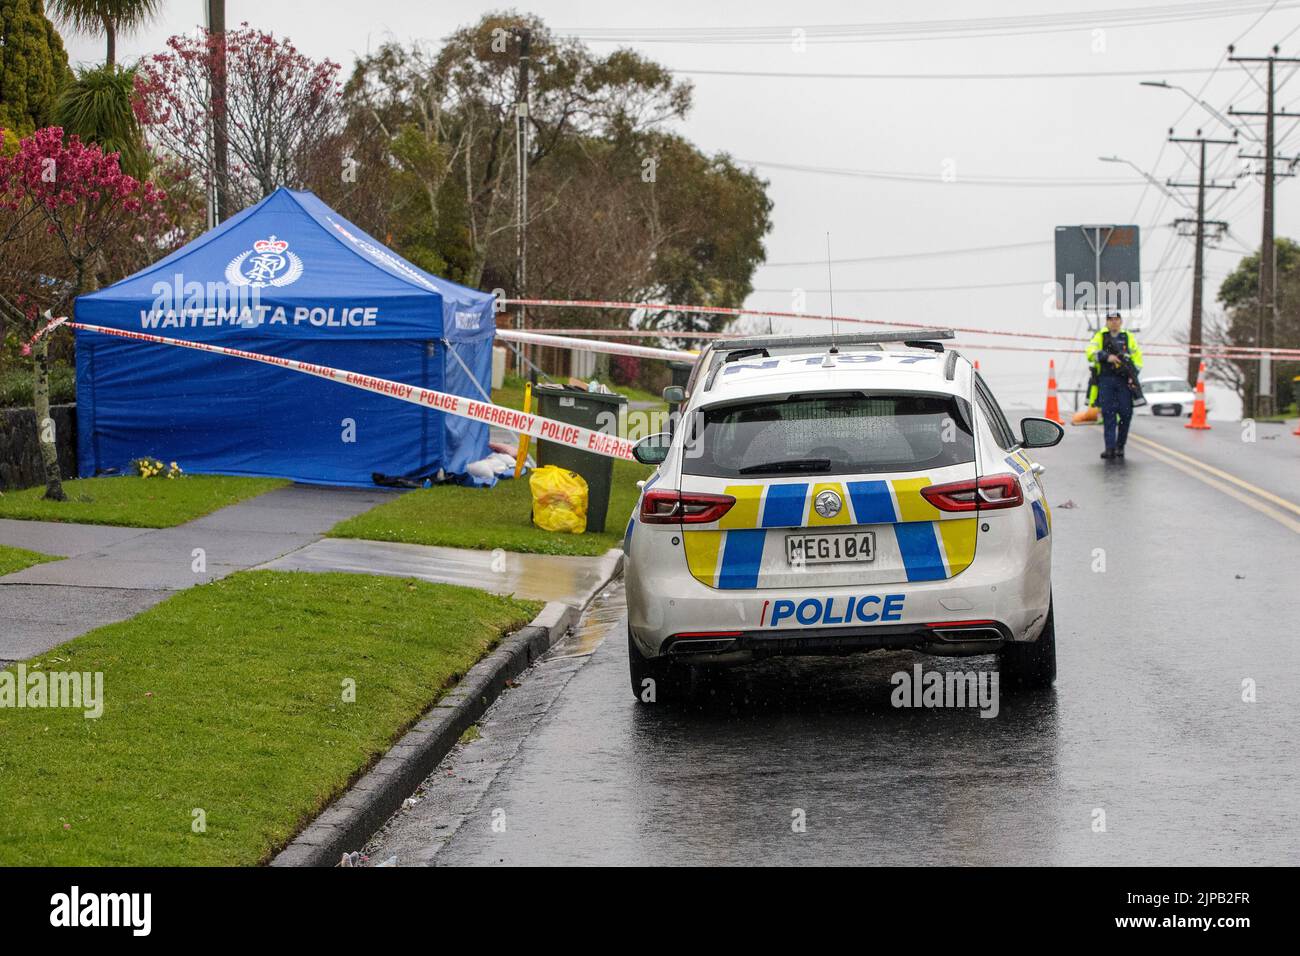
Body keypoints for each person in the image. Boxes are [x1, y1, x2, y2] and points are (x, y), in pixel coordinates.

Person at [1085, 313, 1143, 459]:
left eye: (1116, 320)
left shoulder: (1128, 337)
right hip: (1106, 380)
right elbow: (1090, 353)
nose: (1114, 322)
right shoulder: (1100, 336)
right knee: (1108, 414)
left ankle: (1120, 447)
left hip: (1124, 381)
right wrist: (1106, 356)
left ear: (1121, 321)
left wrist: (1132, 372)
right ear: (1107, 322)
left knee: (1125, 414)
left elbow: (1138, 359)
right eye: (1111, 320)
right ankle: (1109, 448)